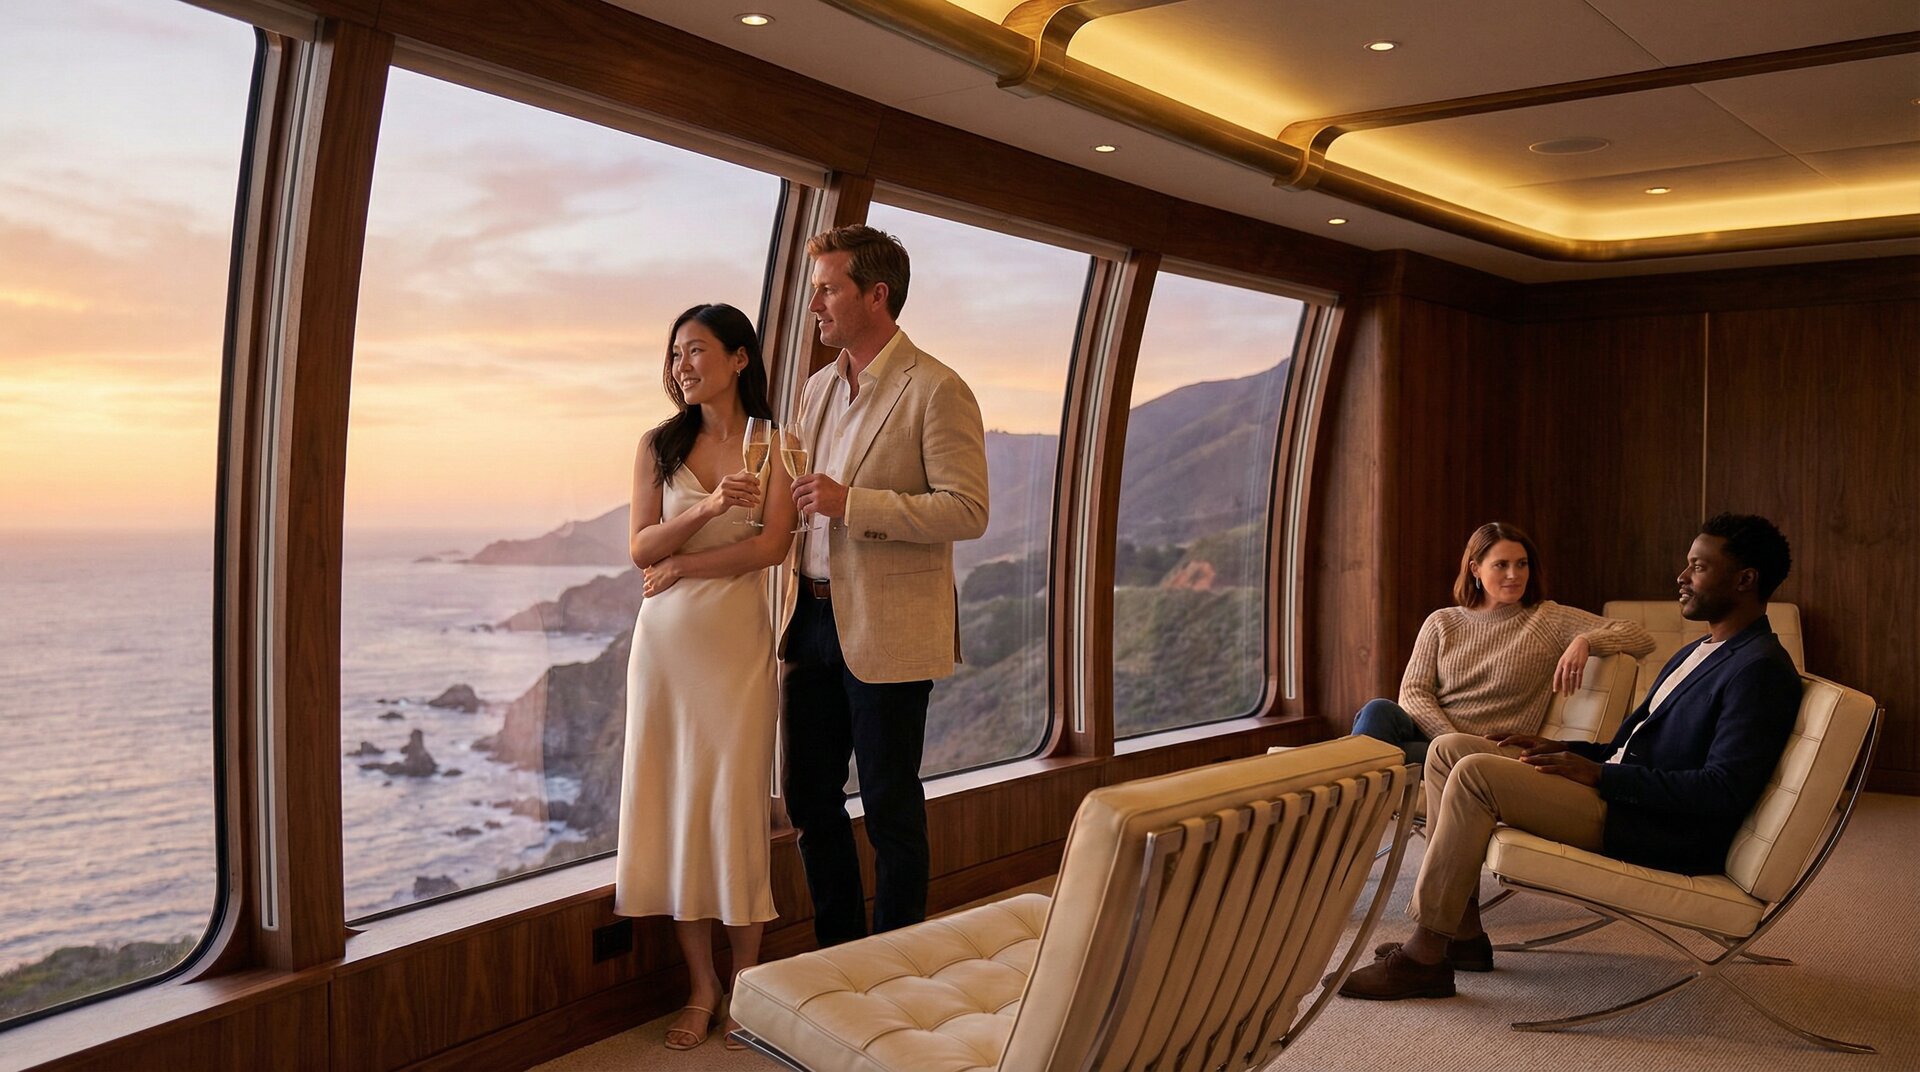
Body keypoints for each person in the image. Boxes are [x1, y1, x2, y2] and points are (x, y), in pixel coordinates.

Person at [1339, 513, 1799, 1000]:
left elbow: (1724, 790)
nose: (1682, 578)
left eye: (1698, 567)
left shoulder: (1759, 669)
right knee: (1448, 749)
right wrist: (1564, 750)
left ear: (1745, 579)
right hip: (1620, 791)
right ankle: (1464, 937)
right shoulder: (1698, 651)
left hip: (1649, 822)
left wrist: (1599, 775)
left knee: (1474, 774)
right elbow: (1629, 746)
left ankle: (1425, 955)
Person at [781, 224, 990, 948]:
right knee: (809, 798)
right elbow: (805, 500)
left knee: (891, 807)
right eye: (815, 290)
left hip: (888, 627)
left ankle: (893, 962)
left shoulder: (937, 387)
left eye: (828, 287)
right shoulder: (814, 390)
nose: (816, 304)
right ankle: (836, 956)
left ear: (877, 294)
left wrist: (852, 504)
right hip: (808, 620)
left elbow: (968, 511)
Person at [612, 303, 797, 1050]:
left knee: (734, 809)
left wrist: (685, 563)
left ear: (739, 358)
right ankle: (700, 988)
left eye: (696, 351)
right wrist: (709, 510)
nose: (682, 365)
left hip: (736, 651)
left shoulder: (777, 445)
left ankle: (747, 985)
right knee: (679, 809)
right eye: (676, 354)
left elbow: (774, 548)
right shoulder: (658, 444)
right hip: (665, 654)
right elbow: (640, 547)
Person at [1352, 521, 1654, 762]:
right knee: (1377, 711)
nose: (1514, 574)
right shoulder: (1441, 622)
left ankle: (1348, 827)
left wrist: (1585, 640)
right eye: (1502, 565)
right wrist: (1448, 740)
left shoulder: (1547, 618)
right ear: (1475, 570)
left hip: (1486, 753)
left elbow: (1641, 637)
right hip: (1437, 739)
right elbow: (1413, 693)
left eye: (1522, 564)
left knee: (1371, 760)